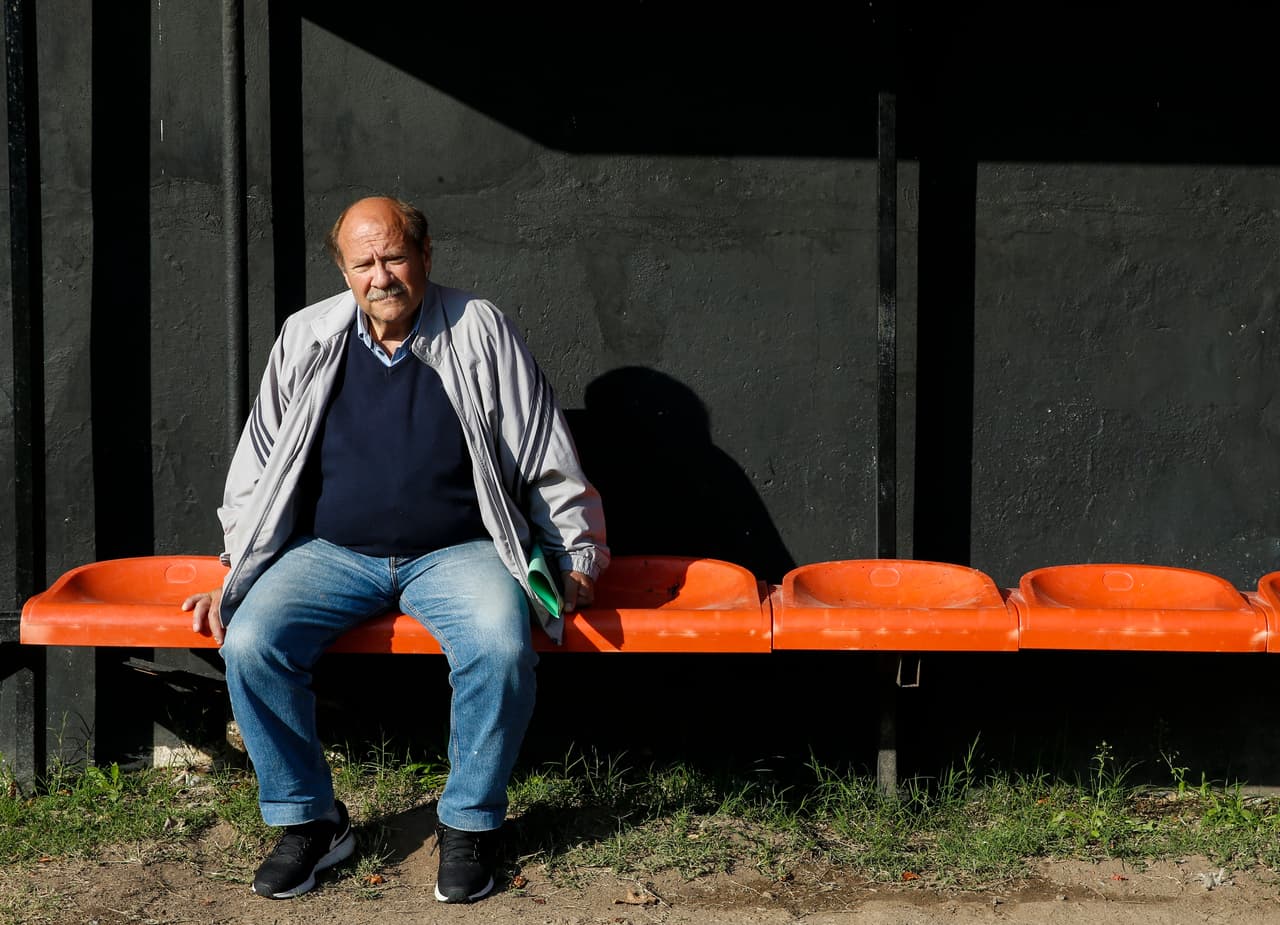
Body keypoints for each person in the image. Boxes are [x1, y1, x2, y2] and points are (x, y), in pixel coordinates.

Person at [181, 196, 608, 904]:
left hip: (458, 550)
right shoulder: (307, 335)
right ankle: (312, 821)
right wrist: (238, 570)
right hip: (331, 551)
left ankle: (470, 822)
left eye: (395, 256)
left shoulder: (479, 328)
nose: (382, 275)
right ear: (344, 271)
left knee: (501, 648)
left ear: (426, 256)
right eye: (364, 262)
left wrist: (578, 557)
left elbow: (544, 453)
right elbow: (257, 465)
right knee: (251, 641)